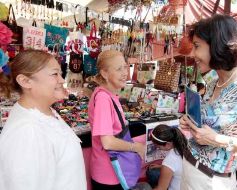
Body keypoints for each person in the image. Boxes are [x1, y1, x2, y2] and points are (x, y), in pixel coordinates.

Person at [179, 14, 237, 190]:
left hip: (213, 181)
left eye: (197, 46)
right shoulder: (213, 79)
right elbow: (208, 124)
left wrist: (218, 140)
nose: (193, 54)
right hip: (189, 169)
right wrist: (190, 122)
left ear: (217, 45)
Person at [0, 50, 87, 190]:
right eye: (54, 74)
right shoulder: (27, 132)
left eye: (60, 73)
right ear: (25, 81)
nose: (62, 80)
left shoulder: (46, 112)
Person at [88, 50, 145, 190]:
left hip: (115, 169)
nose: (125, 72)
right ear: (104, 73)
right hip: (108, 175)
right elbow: (107, 142)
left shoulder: (110, 95)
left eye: (125, 67)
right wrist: (135, 147)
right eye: (119, 69)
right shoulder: (103, 99)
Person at [146, 124, 187, 190]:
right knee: (153, 171)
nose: (158, 149)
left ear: (168, 144)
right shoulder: (185, 144)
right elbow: (179, 166)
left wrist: (165, 166)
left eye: (158, 147)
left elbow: (161, 188)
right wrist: (161, 166)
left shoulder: (170, 159)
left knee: (144, 186)